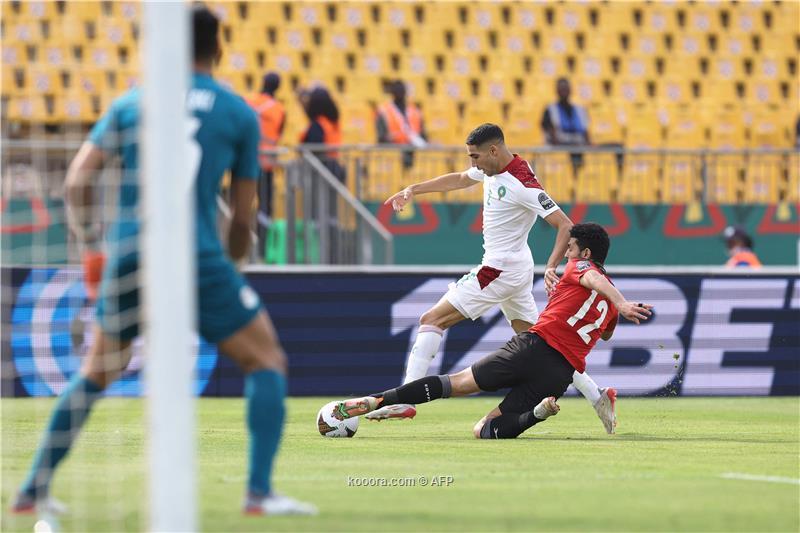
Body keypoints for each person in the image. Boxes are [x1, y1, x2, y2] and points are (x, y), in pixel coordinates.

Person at [12, 6, 316, 516]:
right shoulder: (237, 112)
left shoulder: (133, 102)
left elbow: (77, 181)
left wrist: (92, 246)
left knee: (97, 372)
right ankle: (259, 494)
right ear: (218, 48)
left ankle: (32, 490)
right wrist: (231, 267)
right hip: (197, 256)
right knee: (265, 361)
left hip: (130, 253)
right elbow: (243, 215)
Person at [369, 124, 619, 435]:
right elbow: (461, 179)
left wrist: (552, 266)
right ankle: (597, 396)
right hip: (515, 268)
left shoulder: (521, 184)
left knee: (431, 319)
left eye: (475, 157)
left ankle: (406, 398)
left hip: (499, 269)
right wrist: (413, 189)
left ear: (493, 150)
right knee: (547, 343)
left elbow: (565, 225)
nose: (472, 163)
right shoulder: (491, 168)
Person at [332, 223, 653, 439]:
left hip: (532, 349)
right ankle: (538, 414)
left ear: (585, 254)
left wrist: (619, 301)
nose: (566, 254)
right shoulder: (610, 305)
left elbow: (591, 277)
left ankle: (376, 400)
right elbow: (606, 333)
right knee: (485, 429)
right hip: (559, 375)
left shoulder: (580, 269)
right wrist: (616, 306)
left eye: (570, 248)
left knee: (455, 384)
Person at [245, 71, 285, 245]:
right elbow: (278, 135)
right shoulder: (280, 109)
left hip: (247, 159)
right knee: (265, 205)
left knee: (242, 200)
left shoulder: (250, 102)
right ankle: (263, 244)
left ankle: (242, 243)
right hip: (267, 163)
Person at [541, 78, 590, 172]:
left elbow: (585, 131)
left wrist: (587, 144)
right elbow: (550, 132)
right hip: (560, 149)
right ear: (557, 91)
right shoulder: (550, 109)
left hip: (579, 147)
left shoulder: (580, 109)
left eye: (566, 89)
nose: (564, 91)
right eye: (561, 89)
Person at [376, 79, 427, 168]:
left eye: (401, 90)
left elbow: (423, 135)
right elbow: (381, 137)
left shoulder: (415, 111)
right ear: (392, 92)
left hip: (414, 152)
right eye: (397, 90)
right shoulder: (384, 111)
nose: (399, 92)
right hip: (394, 154)